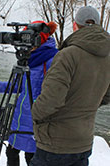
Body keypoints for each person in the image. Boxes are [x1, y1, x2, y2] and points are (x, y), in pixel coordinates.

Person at [30, 6, 110, 166]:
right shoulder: (107, 57)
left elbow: (51, 100)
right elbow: (106, 96)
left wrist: (35, 114)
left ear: (75, 26)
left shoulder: (67, 55)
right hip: (84, 141)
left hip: (55, 144)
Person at [0, 21, 58, 166]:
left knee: (31, 158)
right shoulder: (26, 59)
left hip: (36, 122)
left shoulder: (53, 59)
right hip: (18, 118)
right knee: (11, 153)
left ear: (40, 39)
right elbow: (17, 86)